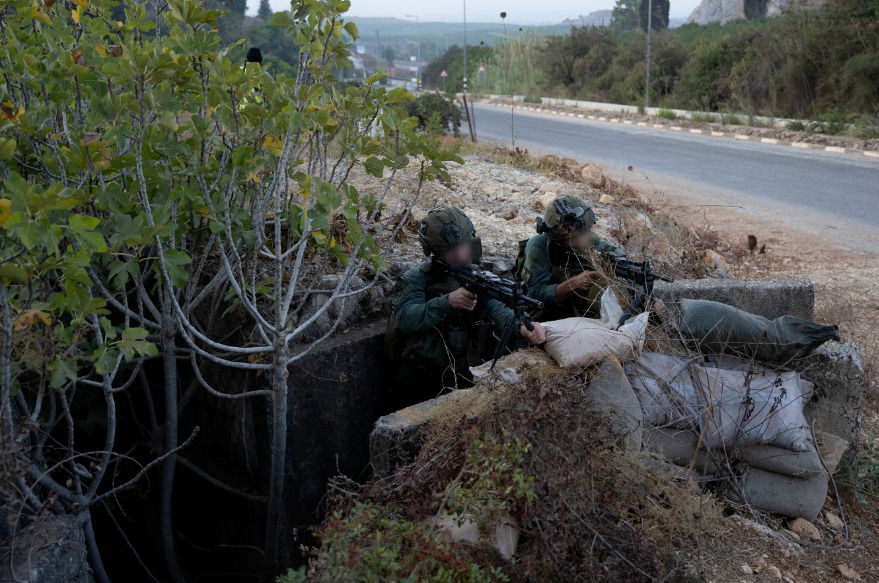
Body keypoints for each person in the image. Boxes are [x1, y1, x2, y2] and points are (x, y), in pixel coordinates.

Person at [386, 207, 546, 402]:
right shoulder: (419, 277)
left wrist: (521, 326)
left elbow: (496, 308)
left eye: (463, 246)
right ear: (435, 252)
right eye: (451, 251)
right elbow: (405, 319)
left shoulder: (475, 275)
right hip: (426, 376)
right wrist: (446, 303)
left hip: (466, 369)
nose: (460, 255)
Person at [519, 195, 658, 321]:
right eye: (573, 238)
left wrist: (644, 296)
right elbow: (534, 295)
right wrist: (572, 285)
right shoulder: (539, 246)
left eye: (585, 232)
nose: (582, 240)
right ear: (557, 237)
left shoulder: (587, 238)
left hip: (579, 307)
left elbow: (614, 254)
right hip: (552, 315)